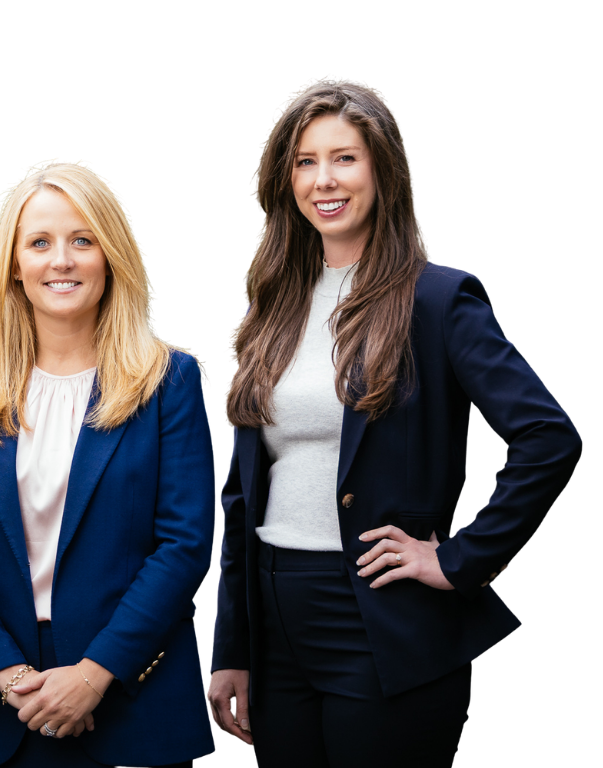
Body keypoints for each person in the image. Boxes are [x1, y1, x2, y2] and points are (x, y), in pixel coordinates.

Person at [206, 76, 583, 768]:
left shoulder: (438, 300)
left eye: (345, 158)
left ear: (384, 168)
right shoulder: (267, 312)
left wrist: (459, 559)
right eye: (306, 160)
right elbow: (240, 495)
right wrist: (231, 649)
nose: (325, 179)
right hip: (275, 623)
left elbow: (547, 436)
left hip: (382, 623)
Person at [0, 158, 217, 768]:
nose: (62, 260)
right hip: (0, 710)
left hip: (137, 704)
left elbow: (185, 545)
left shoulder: (169, 382)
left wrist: (94, 673)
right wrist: (6, 673)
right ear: (14, 266)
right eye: (40, 243)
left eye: (82, 240)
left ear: (110, 257)